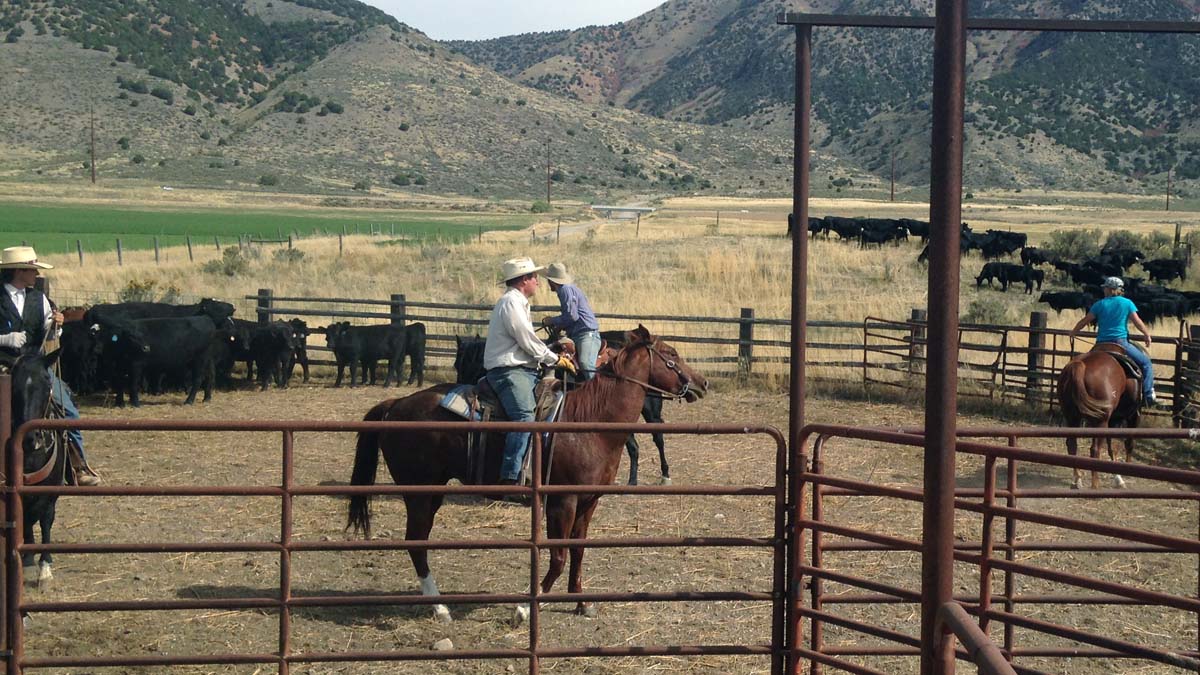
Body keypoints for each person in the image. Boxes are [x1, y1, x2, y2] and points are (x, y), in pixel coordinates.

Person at [0, 246, 101, 485]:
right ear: (19, 271)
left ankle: (78, 466)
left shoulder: (39, 299)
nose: (36, 275)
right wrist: (4, 339)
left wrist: (57, 325)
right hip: (3, 366)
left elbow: (49, 333)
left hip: (34, 366)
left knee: (68, 409)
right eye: (33, 270)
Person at [484, 257, 577, 485]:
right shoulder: (511, 303)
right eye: (534, 277)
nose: (538, 281)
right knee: (525, 418)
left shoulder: (517, 303)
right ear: (524, 280)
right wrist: (555, 358)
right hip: (509, 372)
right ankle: (511, 477)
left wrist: (550, 351)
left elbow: (527, 341)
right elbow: (525, 339)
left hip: (521, 370)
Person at [1069, 276, 1162, 408]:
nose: (1104, 290)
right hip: (1120, 343)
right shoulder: (1127, 303)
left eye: (1105, 288)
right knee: (1146, 363)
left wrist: (1073, 332)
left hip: (1100, 344)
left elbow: (1085, 320)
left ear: (1111, 289)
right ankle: (1148, 395)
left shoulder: (1099, 304)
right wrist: (1147, 335)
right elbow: (1137, 322)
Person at [540, 262, 600, 381]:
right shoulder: (566, 289)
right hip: (578, 333)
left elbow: (572, 316)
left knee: (585, 364)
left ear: (551, 281)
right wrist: (559, 325)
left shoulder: (565, 290)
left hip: (586, 333)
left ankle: (597, 391)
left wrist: (552, 320)